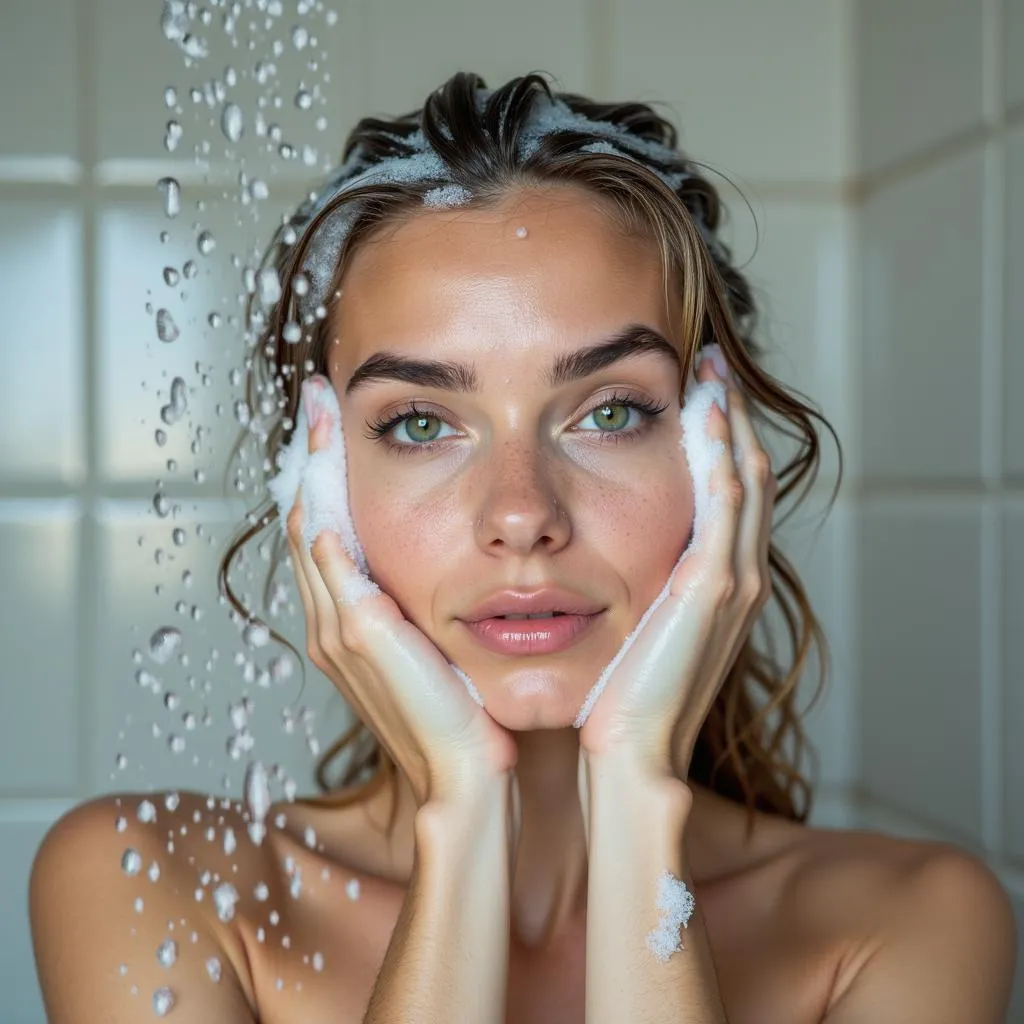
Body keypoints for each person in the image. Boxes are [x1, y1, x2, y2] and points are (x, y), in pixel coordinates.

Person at [30, 71, 1016, 1023]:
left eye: (612, 410)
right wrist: (459, 816)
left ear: (722, 458)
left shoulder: (907, 922)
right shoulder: (157, 889)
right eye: (420, 423)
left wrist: (636, 793)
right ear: (319, 486)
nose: (520, 513)